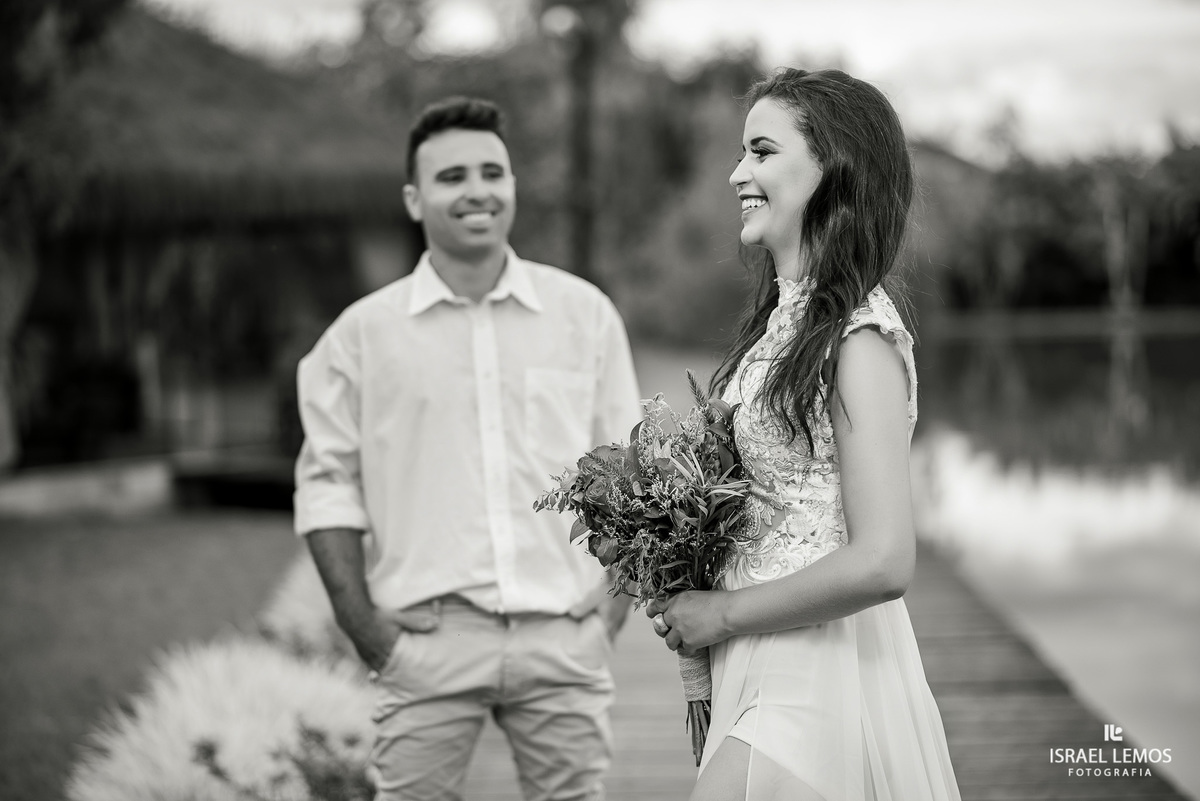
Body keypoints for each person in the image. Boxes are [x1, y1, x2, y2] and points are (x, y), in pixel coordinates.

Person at [294, 96, 641, 801]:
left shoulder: (585, 316)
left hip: (563, 631)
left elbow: (632, 471)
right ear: (414, 199)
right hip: (426, 642)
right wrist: (365, 627)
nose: (477, 190)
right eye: (452, 177)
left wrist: (611, 606)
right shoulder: (359, 337)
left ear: (512, 186)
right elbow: (327, 482)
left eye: (493, 171)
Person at [646, 69, 962, 800]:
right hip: (752, 653)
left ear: (833, 168)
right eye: (741, 153)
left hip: (815, 667)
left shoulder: (859, 338)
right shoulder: (779, 328)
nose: (736, 174)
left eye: (761, 152)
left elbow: (885, 559)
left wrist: (718, 612)